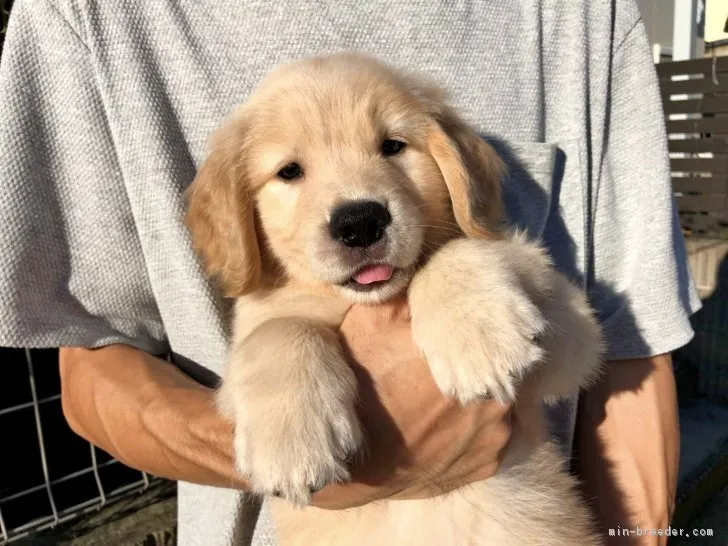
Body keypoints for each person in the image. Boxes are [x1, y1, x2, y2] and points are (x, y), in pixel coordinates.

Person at [0, 1, 700, 545]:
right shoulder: (82, 19)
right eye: (290, 171)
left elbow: (595, 356)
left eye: (393, 145)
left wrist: (456, 273)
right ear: (236, 211)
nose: (354, 204)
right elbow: (89, 366)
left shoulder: (580, 20)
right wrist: (269, 422)